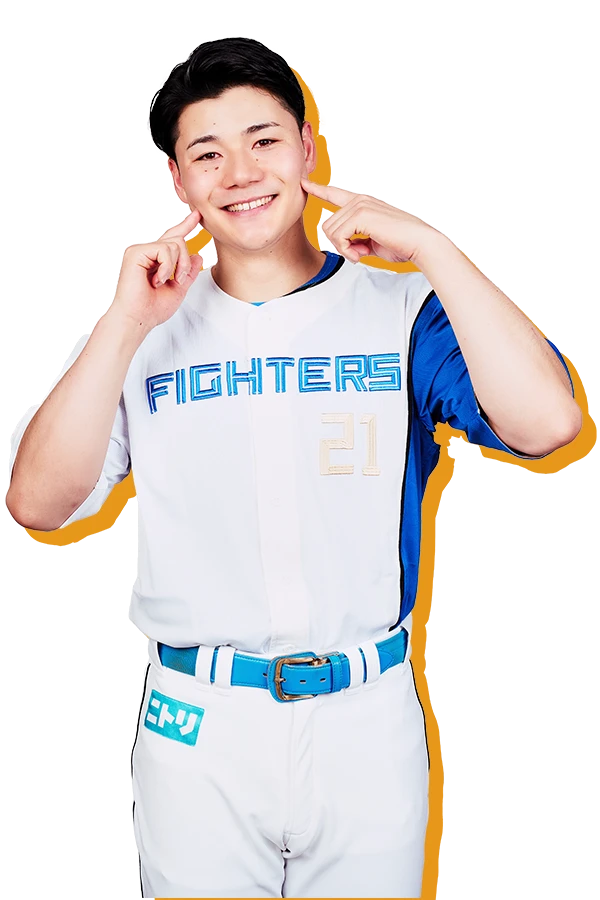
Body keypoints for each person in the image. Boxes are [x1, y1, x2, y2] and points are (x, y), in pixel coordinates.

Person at [6, 36, 582, 899]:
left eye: (264, 140)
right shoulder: (143, 329)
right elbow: (37, 503)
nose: (241, 172)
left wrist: (435, 249)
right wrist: (123, 326)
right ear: (178, 179)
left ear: (308, 148)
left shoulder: (401, 309)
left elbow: (549, 424)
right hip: (200, 722)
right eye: (208, 154)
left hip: (366, 717)